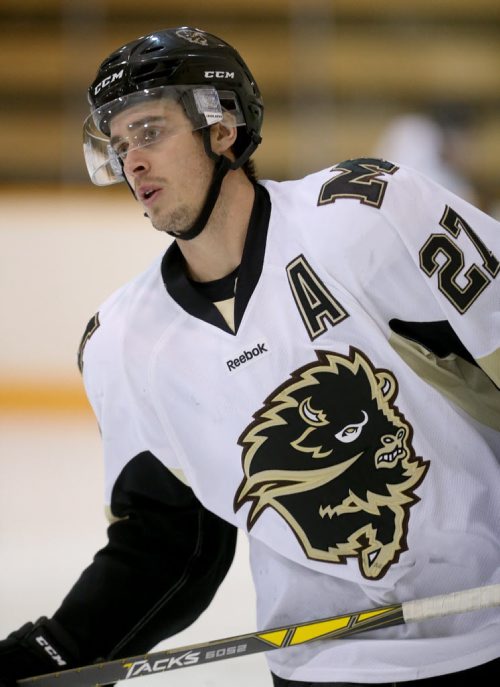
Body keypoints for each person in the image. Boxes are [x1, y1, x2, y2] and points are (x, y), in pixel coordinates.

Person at [1, 26, 499, 687]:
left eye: (149, 132)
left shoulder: (369, 213)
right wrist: (58, 649)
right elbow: (170, 547)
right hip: (327, 668)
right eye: (119, 146)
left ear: (223, 127)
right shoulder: (124, 342)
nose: (133, 164)